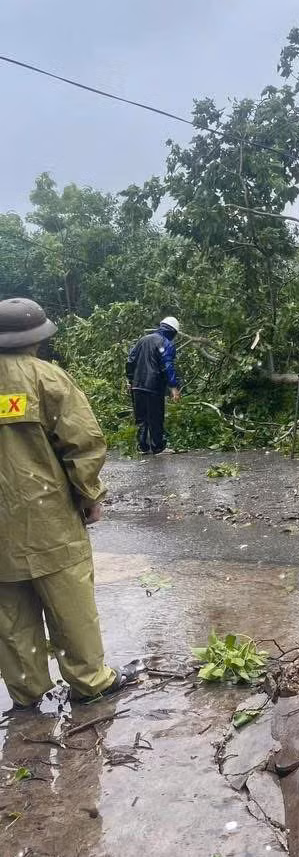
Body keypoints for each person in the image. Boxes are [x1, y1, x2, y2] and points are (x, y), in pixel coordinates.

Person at [0, 297, 128, 709]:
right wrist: (90, 497)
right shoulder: (48, 380)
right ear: (37, 339)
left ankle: (27, 691)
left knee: (10, 613)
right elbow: (83, 445)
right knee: (70, 602)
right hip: (49, 517)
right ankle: (91, 682)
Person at [126, 316, 181, 454]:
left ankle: (143, 447)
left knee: (141, 418)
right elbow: (167, 366)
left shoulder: (143, 340)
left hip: (137, 386)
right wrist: (173, 387)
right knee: (156, 417)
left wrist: (130, 380)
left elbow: (130, 361)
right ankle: (158, 447)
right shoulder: (166, 343)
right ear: (173, 331)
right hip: (153, 386)